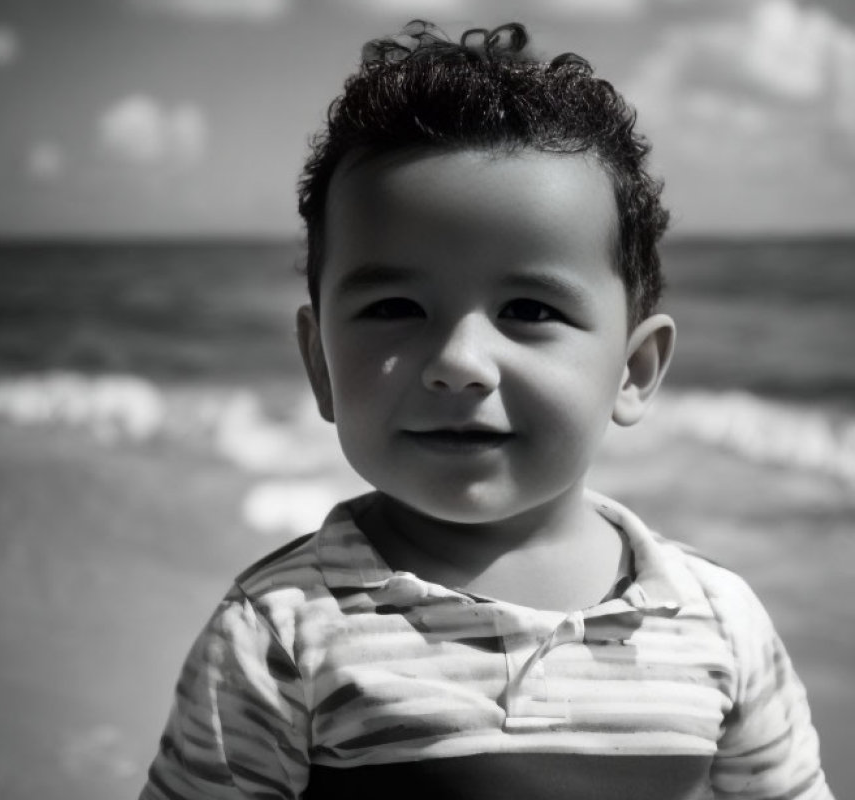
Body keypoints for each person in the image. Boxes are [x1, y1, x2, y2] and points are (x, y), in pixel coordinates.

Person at [139, 20, 833, 800]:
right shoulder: (279, 634)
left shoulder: (716, 625)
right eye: (396, 306)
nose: (460, 364)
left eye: (530, 311)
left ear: (632, 371)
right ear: (318, 363)